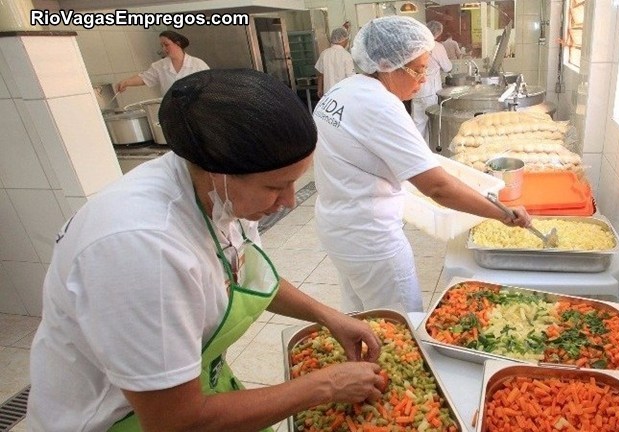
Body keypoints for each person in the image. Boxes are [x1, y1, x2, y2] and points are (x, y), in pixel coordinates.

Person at [28, 69, 385, 432]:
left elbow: (243, 272)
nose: (290, 201)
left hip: (194, 386)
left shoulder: (218, 193)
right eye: (276, 187)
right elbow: (175, 422)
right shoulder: (143, 249)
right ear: (219, 172)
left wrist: (326, 315)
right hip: (121, 420)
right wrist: (324, 385)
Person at [312, 16, 531, 314]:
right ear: (387, 64)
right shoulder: (381, 105)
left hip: (337, 228)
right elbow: (437, 187)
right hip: (371, 239)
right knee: (400, 325)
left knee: (360, 316)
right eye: (418, 69)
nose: (424, 78)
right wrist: (500, 213)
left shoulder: (343, 90)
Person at [116, 30, 209, 96]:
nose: (164, 49)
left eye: (166, 45)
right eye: (162, 45)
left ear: (178, 43)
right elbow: (144, 78)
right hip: (170, 112)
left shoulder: (198, 64)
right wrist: (126, 82)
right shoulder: (159, 66)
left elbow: (210, 86)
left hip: (195, 110)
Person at [411, 21, 453, 143]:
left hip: (416, 91)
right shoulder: (436, 47)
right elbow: (447, 67)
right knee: (432, 124)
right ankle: (429, 153)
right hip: (431, 92)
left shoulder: (415, 46)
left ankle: (416, 150)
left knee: (417, 124)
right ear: (438, 33)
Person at [315, 27, 355, 98]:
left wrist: (319, 89)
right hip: (342, 94)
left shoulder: (324, 53)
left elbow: (320, 74)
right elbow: (351, 78)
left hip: (328, 95)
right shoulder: (346, 55)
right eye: (347, 39)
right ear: (343, 40)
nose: (347, 41)